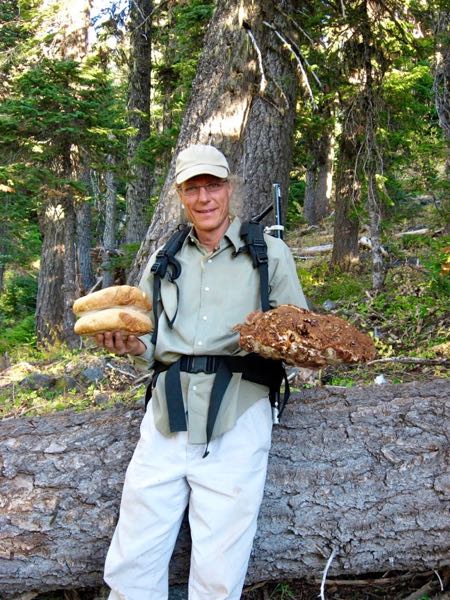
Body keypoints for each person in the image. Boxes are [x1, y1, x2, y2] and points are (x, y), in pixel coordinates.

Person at [96, 144, 308, 600]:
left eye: (213, 185)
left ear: (230, 188)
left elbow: (301, 332)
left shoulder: (268, 253)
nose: (205, 197)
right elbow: (150, 340)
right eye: (193, 188)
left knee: (218, 569)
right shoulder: (166, 257)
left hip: (239, 412)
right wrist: (132, 345)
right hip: (166, 416)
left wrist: (282, 344)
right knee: (133, 555)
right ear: (180, 195)